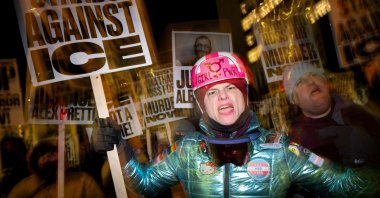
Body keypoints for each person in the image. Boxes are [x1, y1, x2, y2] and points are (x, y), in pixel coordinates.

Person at [92, 52, 380, 197]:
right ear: (201, 103)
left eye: (230, 87)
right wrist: (119, 147)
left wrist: (373, 164)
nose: (223, 97)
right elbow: (145, 184)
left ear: (244, 94)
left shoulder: (280, 148)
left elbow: (344, 184)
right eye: (212, 92)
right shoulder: (186, 150)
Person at [282, 62, 380, 167]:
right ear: (294, 99)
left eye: (314, 74)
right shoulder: (296, 140)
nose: (310, 81)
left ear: (325, 83)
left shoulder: (359, 112)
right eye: (300, 81)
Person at [8, 138, 105, 198]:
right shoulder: (24, 188)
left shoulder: (83, 182)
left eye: (51, 153)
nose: (46, 158)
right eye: (41, 154)